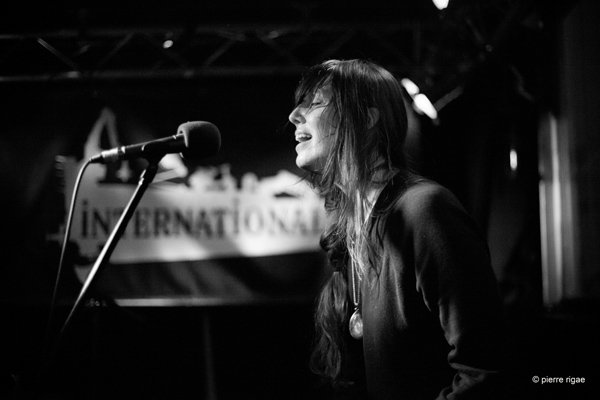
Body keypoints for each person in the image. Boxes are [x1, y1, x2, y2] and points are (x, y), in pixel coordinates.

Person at [288, 59, 508, 399]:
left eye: (315, 102)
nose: (294, 115)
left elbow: (485, 367)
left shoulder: (425, 210)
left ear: (367, 119)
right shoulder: (351, 230)